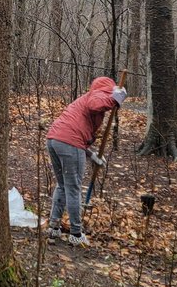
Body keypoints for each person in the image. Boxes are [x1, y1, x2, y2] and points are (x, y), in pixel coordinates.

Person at [45, 76, 126, 247]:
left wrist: (91, 155)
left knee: (62, 185)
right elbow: (94, 105)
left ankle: (54, 227)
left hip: (54, 140)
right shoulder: (98, 96)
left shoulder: (85, 98)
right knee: (73, 188)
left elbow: (78, 130)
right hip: (69, 142)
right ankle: (76, 234)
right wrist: (113, 99)